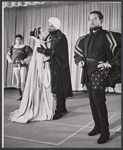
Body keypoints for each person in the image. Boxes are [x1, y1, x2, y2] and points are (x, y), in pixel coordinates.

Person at [74, 11, 121, 144]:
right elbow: (77, 54)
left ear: (101, 21)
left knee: (99, 101)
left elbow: (120, 48)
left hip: (99, 72)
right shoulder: (83, 39)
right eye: (90, 19)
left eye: (95, 19)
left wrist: (110, 63)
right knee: (92, 101)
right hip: (87, 71)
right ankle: (98, 126)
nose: (92, 22)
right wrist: (79, 62)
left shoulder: (107, 35)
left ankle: (105, 132)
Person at [9, 28, 54, 123]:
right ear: (39, 35)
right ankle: (38, 107)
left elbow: (33, 56)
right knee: (21, 82)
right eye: (43, 31)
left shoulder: (41, 43)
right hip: (40, 70)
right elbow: (39, 59)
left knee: (23, 82)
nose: (45, 32)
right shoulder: (39, 44)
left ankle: (44, 107)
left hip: (39, 68)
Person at [37, 17, 73, 120]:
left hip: (60, 66)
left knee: (59, 88)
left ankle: (59, 110)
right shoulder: (52, 36)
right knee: (58, 87)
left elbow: (57, 52)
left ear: (56, 26)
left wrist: (43, 51)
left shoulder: (61, 37)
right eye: (48, 25)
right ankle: (63, 107)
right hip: (54, 65)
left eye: (51, 26)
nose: (49, 27)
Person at [6, 34, 33, 101]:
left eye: (20, 39)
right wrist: (10, 60)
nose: (18, 41)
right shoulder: (12, 48)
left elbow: (31, 55)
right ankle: (21, 95)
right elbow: (8, 55)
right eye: (17, 39)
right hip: (15, 66)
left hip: (23, 66)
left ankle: (24, 95)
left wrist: (25, 60)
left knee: (23, 81)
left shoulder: (26, 47)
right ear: (15, 40)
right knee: (18, 81)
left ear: (22, 40)